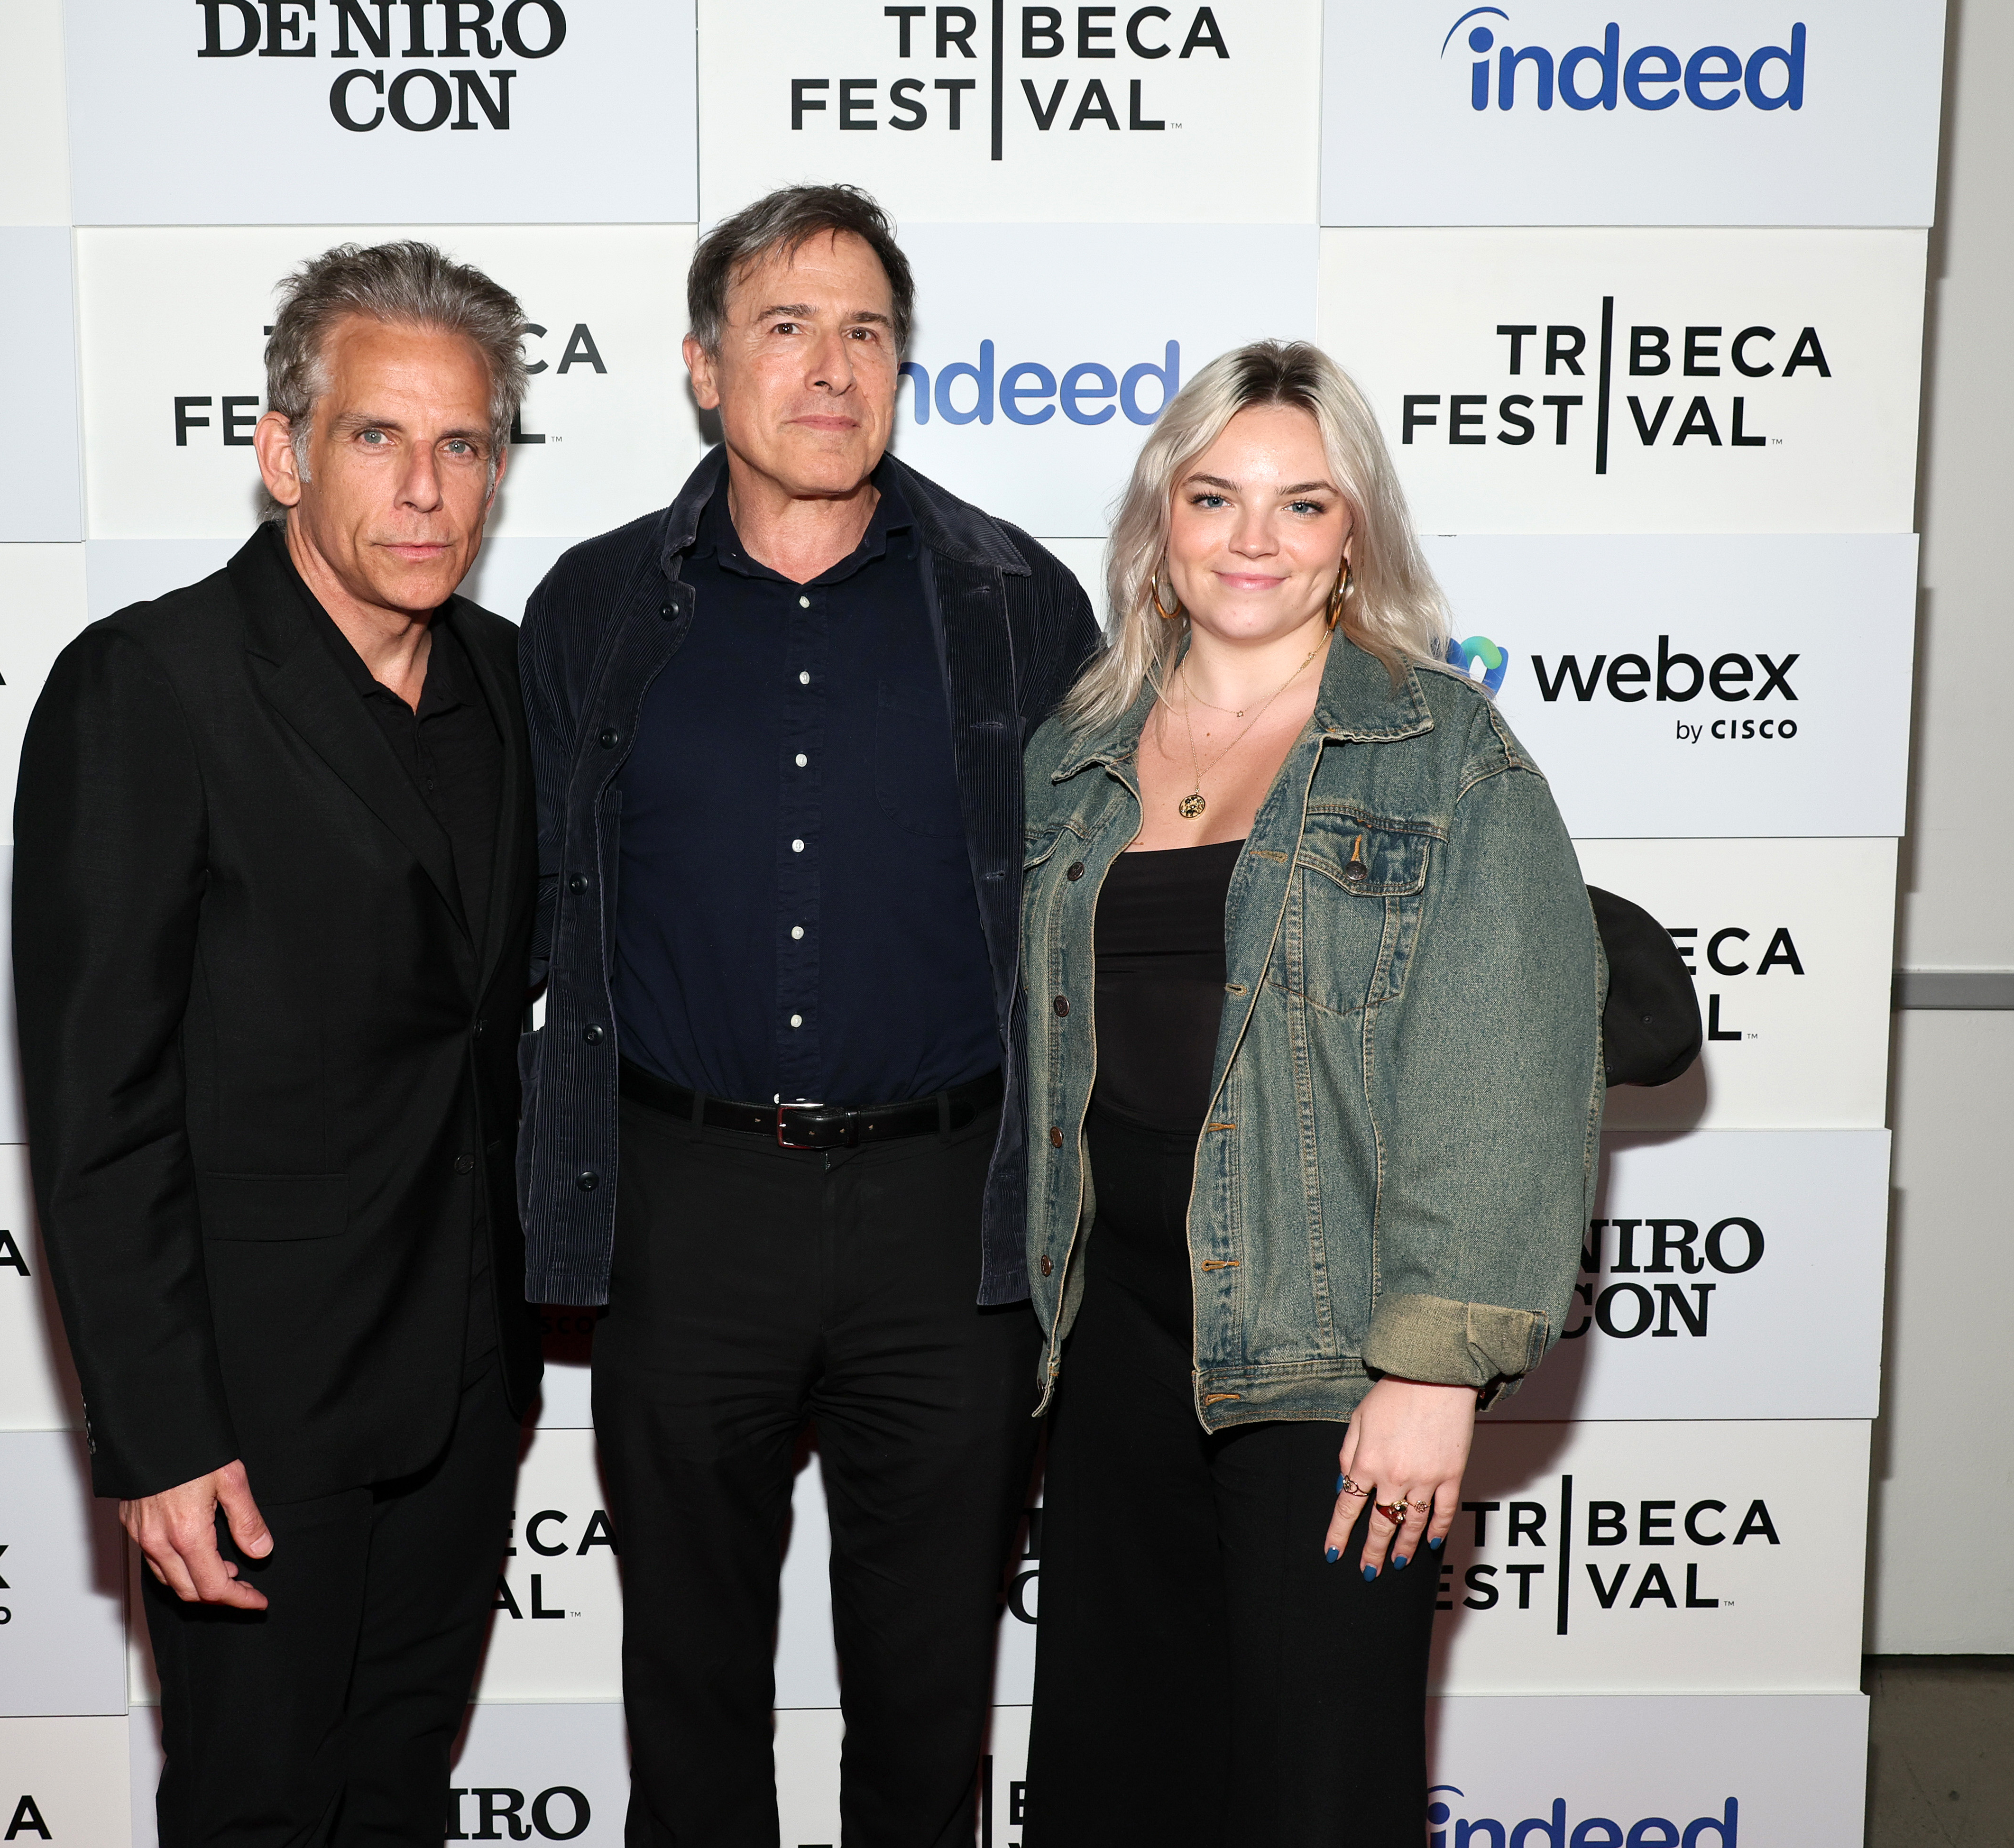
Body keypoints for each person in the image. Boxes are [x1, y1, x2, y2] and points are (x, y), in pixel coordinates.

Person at [515, 184, 1102, 1846]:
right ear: (705, 369)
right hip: (682, 1209)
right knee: (688, 1702)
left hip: (948, 1216)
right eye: (786, 327)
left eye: (866, 332)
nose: (830, 367)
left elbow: (1092, 917)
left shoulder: (1014, 602)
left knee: (928, 1708)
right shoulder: (593, 607)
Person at [1014, 340, 1605, 1845]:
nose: (1254, 541)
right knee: (1119, 1774)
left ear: (1357, 537)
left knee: (1317, 1792)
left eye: (1303, 504)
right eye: (1214, 497)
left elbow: (1511, 1070)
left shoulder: (1444, 755)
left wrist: (1433, 1370)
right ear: (1161, 520)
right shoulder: (1074, 754)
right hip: (1109, 1347)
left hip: (1333, 1357)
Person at [12, 241, 541, 1846]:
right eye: (379, 437)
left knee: (396, 1797)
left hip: (460, 1380)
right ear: (282, 448)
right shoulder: (148, 688)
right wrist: (161, 1436)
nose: (426, 489)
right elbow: (97, 1105)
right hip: (251, 1410)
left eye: (464, 445)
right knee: (254, 1807)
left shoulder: (511, 681)